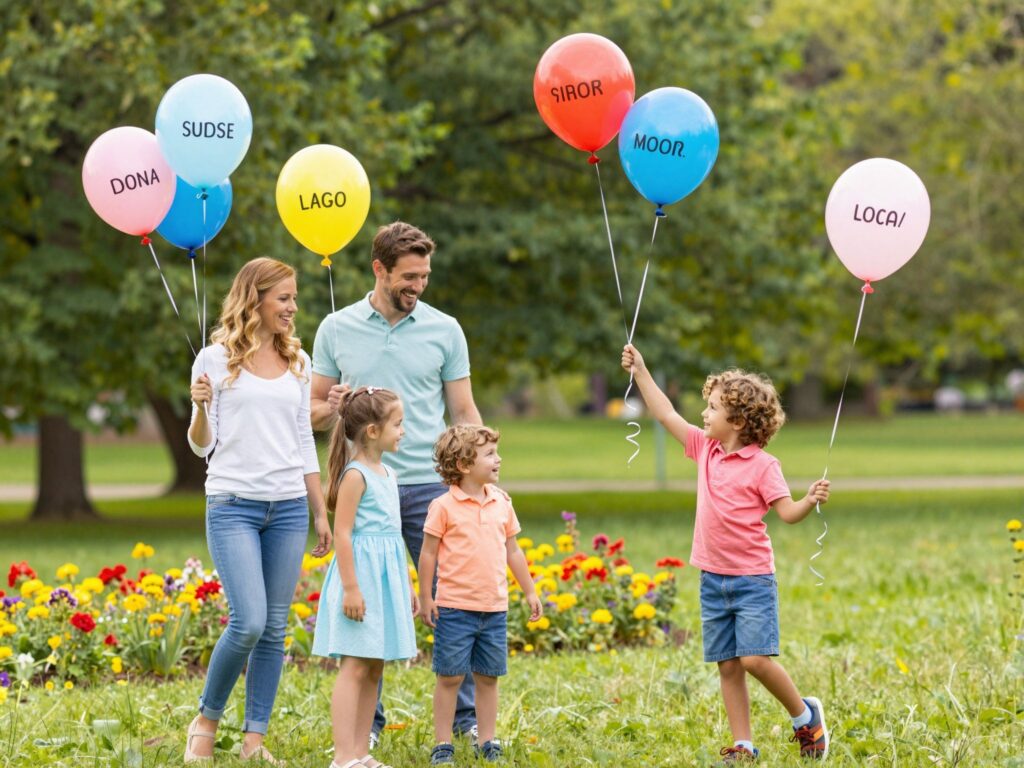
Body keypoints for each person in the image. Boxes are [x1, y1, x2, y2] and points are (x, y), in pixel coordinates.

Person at [311, 221, 482, 744]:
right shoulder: (335, 328)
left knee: (452, 599)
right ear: (378, 269)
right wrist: (332, 407)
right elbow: (312, 413)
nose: (418, 286)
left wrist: (480, 480)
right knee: (373, 602)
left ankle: (465, 717)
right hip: (363, 487)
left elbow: (463, 410)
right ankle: (369, 727)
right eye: (408, 276)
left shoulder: (445, 329)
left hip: (431, 488)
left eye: (425, 276)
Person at [621, 344, 831, 763]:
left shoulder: (764, 466)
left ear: (736, 420)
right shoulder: (704, 449)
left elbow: (787, 514)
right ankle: (744, 744)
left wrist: (809, 500)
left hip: (752, 579)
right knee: (728, 665)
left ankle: (805, 715)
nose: (704, 414)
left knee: (754, 659)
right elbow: (665, 414)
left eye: (712, 407)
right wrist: (641, 370)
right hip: (712, 578)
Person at [184, 258, 332, 764]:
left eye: (294, 298)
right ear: (256, 299)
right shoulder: (212, 359)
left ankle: (254, 742)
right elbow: (202, 447)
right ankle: (206, 718)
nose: (292, 307)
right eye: (284, 298)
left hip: (288, 506)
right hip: (232, 505)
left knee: (273, 628)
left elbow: (303, 440)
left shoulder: (299, 361)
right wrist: (201, 407)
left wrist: (320, 510)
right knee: (246, 622)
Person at [417, 425, 542, 765]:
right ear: (463, 464)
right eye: (489, 454)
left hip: (494, 609)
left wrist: (529, 590)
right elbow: (428, 553)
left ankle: (487, 740)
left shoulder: (501, 501)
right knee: (450, 677)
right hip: (455, 609)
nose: (498, 459)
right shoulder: (443, 506)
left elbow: (513, 550)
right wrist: (426, 597)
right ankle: (442, 743)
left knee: (488, 677)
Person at [312, 386, 418, 768]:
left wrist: (406, 584)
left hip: (386, 579)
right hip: (360, 580)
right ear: (372, 431)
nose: (403, 430)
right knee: (355, 666)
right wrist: (352, 589)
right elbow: (343, 534)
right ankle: (343, 757)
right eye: (398, 424)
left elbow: (392, 537)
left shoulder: (388, 472)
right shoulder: (355, 475)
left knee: (375, 665)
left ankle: (360, 752)